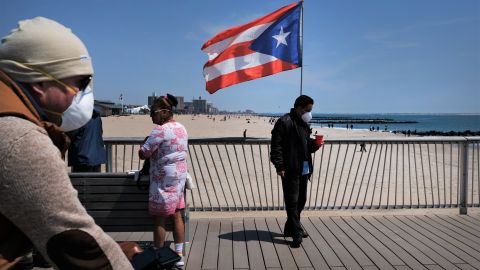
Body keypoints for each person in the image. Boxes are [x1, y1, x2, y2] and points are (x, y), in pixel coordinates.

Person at [0, 17, 140, 269]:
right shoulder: (21, 138)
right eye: (81, 82)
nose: (84, 92)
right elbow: (75, 238)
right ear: (40, 82)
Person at [139, 94, 187, 267]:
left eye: (152, 112)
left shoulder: (160, 130)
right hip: (179, 177)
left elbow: (143, 153)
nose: (151, 116)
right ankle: (179, 255)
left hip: (163, 179)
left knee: (160, 218)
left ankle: (159, 255)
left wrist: (145, 142)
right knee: (176, 214)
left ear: (163, 112)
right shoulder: (182, 128)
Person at [270, 95, 322, 248]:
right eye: (308, 110)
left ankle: (290, 227)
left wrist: (316, 144)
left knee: (301, 200)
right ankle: (296, 233)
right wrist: (279, 166)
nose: (309, 113)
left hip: (304, 168)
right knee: (292, 202)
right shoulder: (284, 122)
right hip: (290, 168)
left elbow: (306, 146)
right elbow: (276, 146)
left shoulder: (304, 124)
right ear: (299, 107)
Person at [67, 108, 107, 172]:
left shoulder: (78, 117)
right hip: (96, 157)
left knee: (80, 181)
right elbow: (100, 132)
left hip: (82, 158)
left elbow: (70, 135)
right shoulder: (96, 116)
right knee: (95, 181)